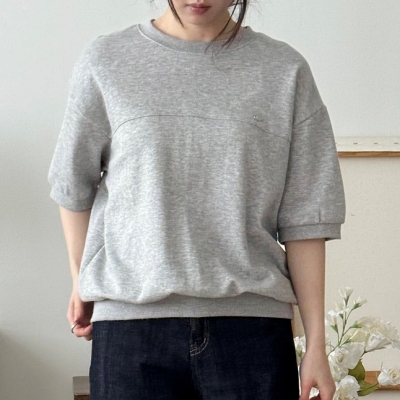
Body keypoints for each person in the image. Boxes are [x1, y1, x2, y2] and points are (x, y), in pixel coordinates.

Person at [48, 1, 346, 399]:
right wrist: (79, 279)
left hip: (252, 331)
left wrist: (316, 346)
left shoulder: (284, 70)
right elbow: (72, 184)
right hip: (131, 331)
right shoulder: (106, 60)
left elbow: (306, 219)